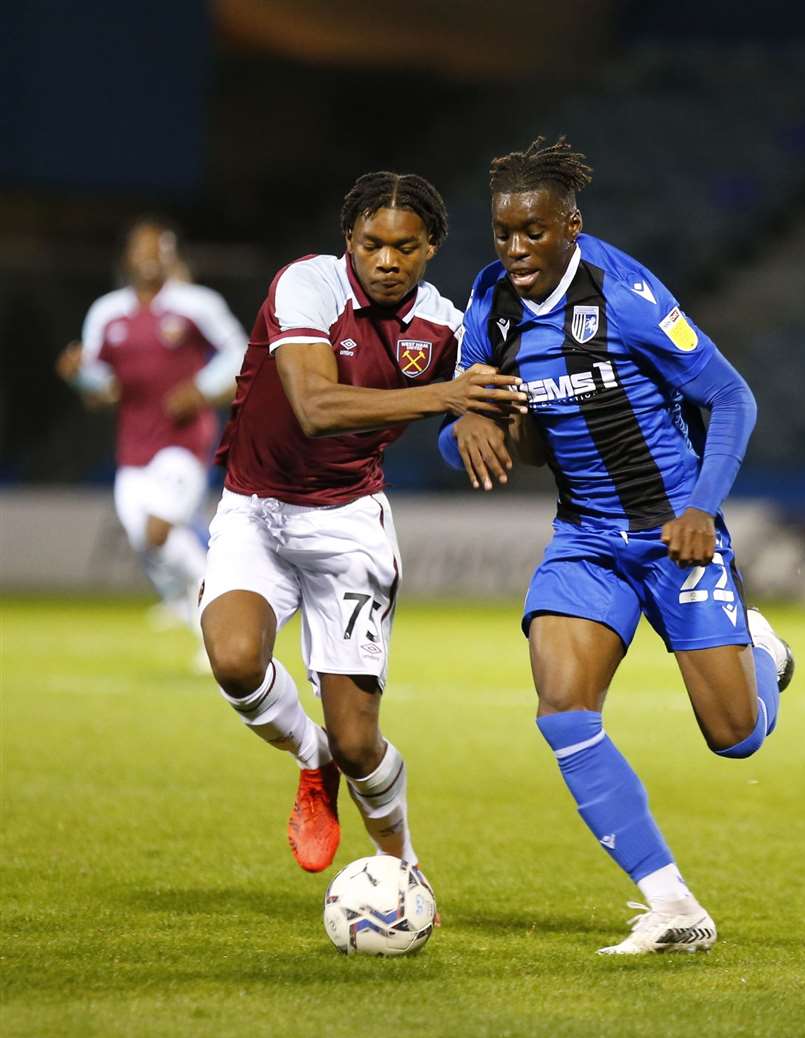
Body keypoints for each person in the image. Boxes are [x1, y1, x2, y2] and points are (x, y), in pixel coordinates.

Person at [439, 137, 794, 955]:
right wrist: (467, 424)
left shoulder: (626, 295)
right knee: (563, 709)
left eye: (533, 232)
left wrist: (703, 507)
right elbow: (471, 431)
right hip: (587, 540)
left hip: (674, 535)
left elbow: (731, 397)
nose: (516, 250)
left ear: (570, 224)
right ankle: (672, 906)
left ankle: (763, 654)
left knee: (735, 737)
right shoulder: (489, 303)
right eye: (502, 233)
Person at [200, 172, 526, 878]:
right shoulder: (308, 286)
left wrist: (478, 415)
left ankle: (403, 872)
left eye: (405, 247)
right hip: (255, 510)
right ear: (349, 239)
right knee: (233, 661)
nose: (386, 261)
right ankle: (308, 757)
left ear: (431, 247)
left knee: (359, 741)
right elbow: (315, 405)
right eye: (373, 244)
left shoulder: (446, 326)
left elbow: (481, 401)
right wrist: (448, 395)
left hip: (348, 522)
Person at [57, 218, 247, 653]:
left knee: (158, 531)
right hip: (134, 448)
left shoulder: (197, 305)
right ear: (127, 257)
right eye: (142, 250)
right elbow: (102, 390)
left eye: (160, 249)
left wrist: (201, 390)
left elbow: (240, 354)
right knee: (146, 538)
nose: (150, 258)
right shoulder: (107, 313)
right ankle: (190, 597)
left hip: (185, 442)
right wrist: (77, 378)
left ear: (172, 256)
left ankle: (210, 618)